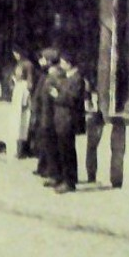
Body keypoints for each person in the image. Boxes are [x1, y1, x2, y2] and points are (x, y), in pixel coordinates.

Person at [34, 44, 84, 193]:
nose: (60, 65)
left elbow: (73, 98)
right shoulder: (69, 77)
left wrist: (57, 95)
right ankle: (61, 178)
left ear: (68, 63)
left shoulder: (76, 79)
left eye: (62, 62)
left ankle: (69, 182)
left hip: (68, 119)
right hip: (60, 119)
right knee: (62, 150)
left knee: (68, 152)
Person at [10, 51, 37, 159]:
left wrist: (26, 98)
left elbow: (30, 82)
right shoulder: (19, 64)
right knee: (17, 123)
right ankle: (18, 148)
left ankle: (23, 149)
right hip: (18, 91)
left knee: (23, 123)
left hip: (23, 92)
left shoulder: (27, 65)